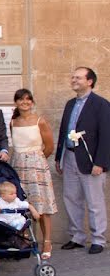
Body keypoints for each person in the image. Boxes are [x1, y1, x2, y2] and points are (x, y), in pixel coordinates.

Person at [56, 67, 110, 255]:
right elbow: (63, 132)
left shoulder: (101, 104)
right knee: (71, 198)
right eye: (73, 77)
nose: (74, 80)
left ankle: (98, 239)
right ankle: (77, 236)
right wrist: (58, 157)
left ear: (90, 81)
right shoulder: (70, 104)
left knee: (94, 201)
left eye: (78, 78)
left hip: (91, 161)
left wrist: (101, 163)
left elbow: (106, 136)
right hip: (70, 156)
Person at [10, 88, 58, 259]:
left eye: (28, 99)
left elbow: (49, 146)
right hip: (18, 165)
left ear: (32, 102)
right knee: (21, 204)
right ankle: (24, 238)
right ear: (16, 102)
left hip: (37, 166)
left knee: (42, 206)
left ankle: (47, 241)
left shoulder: (40, 121)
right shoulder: (13, 122)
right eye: (21, 99)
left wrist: (36, 160)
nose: (25, 102)